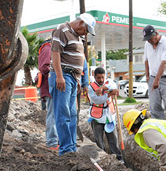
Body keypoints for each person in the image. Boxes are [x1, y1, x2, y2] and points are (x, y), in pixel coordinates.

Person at [49, 13, 96, 155]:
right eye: (86, 30)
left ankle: (71, 146)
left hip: (72, 78)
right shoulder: (62, 30)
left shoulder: (77, 36)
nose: (86, 33)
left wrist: (78, 80)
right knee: (63, 114)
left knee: (72, 114)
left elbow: (78, 60)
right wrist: (59, 76)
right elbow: (55, 53)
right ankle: (66, 149)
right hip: (63, 76)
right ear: (81, 23)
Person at [143, 25, 166, 122]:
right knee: (154, 106)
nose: (149, 41)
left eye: (150, 38)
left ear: (156, 34)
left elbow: (164, 63)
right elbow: (146, 60)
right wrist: (147, 76)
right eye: (147, 39)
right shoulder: (147, 44)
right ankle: (159, 128)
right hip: (153, 78)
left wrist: (157, 80)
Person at [87, 67, 122, 160]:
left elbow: (113, 86)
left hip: (109, 116)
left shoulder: (108, 82)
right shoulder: (91, 87)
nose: (101, 80)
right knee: (99, 140)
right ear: (94, 77)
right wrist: (109, 94)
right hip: (96, 116)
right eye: (99, 78)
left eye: (103, 77)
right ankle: (102, 158)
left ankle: (118, 158)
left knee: (113, 139)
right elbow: (97, 100)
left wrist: (103, 87)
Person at [39, 39, 58, 150]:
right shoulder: (47, 48)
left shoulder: (50, 48)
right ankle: (52, 142)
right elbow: (44, 67)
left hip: (52, 87)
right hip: (50, 87)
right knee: (53, 115)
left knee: (54, 114)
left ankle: (54, 140)